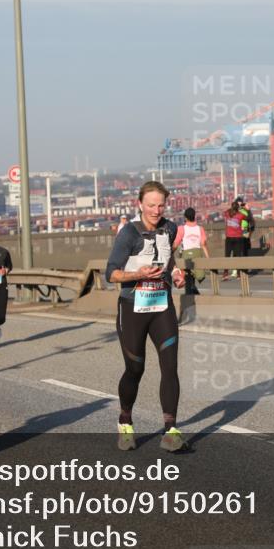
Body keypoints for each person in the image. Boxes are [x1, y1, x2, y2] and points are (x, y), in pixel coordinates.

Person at [105, 181, 187, 452]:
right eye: (151, 205)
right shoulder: (128, 233)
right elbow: (112, 273)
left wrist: (175, 273)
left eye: (161, 205)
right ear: (140, 204)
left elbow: (168, 258)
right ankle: (125, 421)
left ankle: (170, 430)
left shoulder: (170, 228)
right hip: (132, 308)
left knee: (170, 366)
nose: (156, 210)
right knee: (135, 369)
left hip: (161, 305)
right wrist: (138, 274)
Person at [173, 207, 209, 295]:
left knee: (187, 275)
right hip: (198, 254)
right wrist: (208, 258)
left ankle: (190, 291)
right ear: (194, 216)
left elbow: (176, 243)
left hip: (186, 254)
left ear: (185, 217)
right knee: (195, 273)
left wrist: (170, 252)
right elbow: (203, 244)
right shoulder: (200, 229)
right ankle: (192, 288)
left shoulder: (182, 228)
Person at [223, 201, 244, 280]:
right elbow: (246, 217)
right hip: (238, 238)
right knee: (238, 257)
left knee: (227, 256)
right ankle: (238, 275)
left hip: (229, 237)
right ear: (238, 208)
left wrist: (231, 209)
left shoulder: (227, 213)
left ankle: (225, 274)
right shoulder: (240, 215)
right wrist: (241, 209)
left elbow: (225, 212)